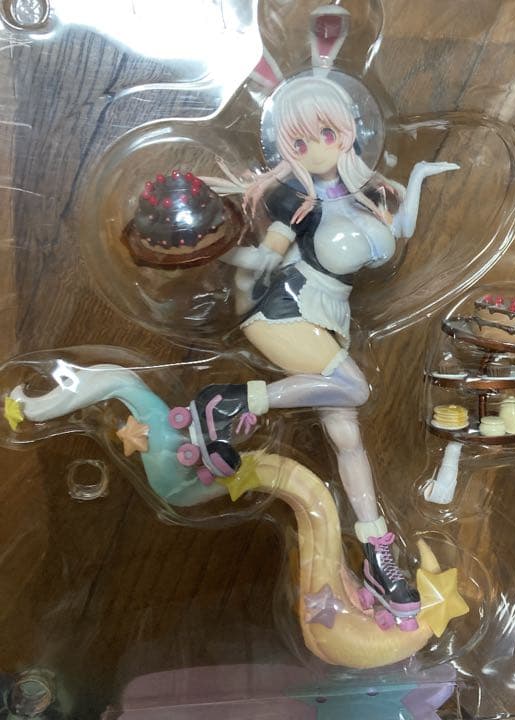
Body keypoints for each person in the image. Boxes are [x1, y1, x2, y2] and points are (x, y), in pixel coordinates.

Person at [191, 75, 457, 620]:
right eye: (299, 142)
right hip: (284, 310)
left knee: (347, 438)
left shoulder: (368, 195)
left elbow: (401, 228)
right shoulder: (298, 204)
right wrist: (216, 250)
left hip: (329, 321)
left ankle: (377, 553)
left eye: (326, 133)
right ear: (285, 149)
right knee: (354, 389)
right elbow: (266, 257)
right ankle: (229, 402)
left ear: (348, 131)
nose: (315, 148)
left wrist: (418, 177)